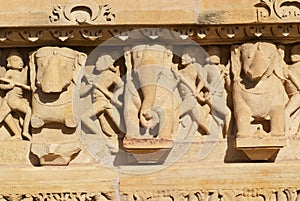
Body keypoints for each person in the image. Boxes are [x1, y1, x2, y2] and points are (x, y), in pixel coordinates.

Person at [0, 50, 31, 140]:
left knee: (3, 116)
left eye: (21, 60)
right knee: (28, 111)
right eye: (16, 60)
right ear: (9, 62)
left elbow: (28, 67)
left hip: (9, 99)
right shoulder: (10, 72)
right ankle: (25, 131)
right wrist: (9, 86)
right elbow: (1, 85)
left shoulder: (23, 73)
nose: (20, 62)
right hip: (13, 98)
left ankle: (17, 134)